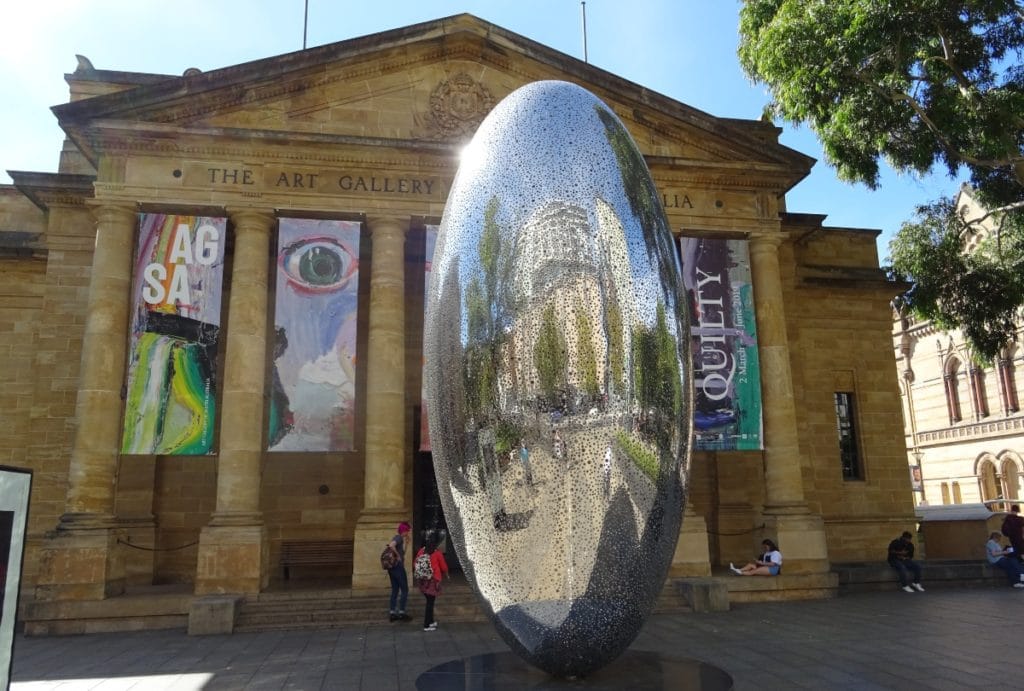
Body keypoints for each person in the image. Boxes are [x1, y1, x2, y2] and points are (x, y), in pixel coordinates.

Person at [414, 533, 450, 631]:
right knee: (430, 603)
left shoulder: (421, 551)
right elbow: (443, 566)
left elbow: (415, 563)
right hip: (433, 581)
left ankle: (431, 621)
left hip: (423, 580)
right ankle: (426, 625)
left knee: (430, 601)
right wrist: (446, 574)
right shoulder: (437, 553)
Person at [386, 522, 412, 621]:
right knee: (405, 589)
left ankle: (392, 613)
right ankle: (401, 612)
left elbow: (403, 553)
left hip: (392, 569)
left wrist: (407, 544)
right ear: (404, 530)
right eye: (407, 531)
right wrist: (398, 556)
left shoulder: (399, 539)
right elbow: (391, 546)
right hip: (398, 568)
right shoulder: (398, 538)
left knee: (395, 590)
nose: (408, 533)